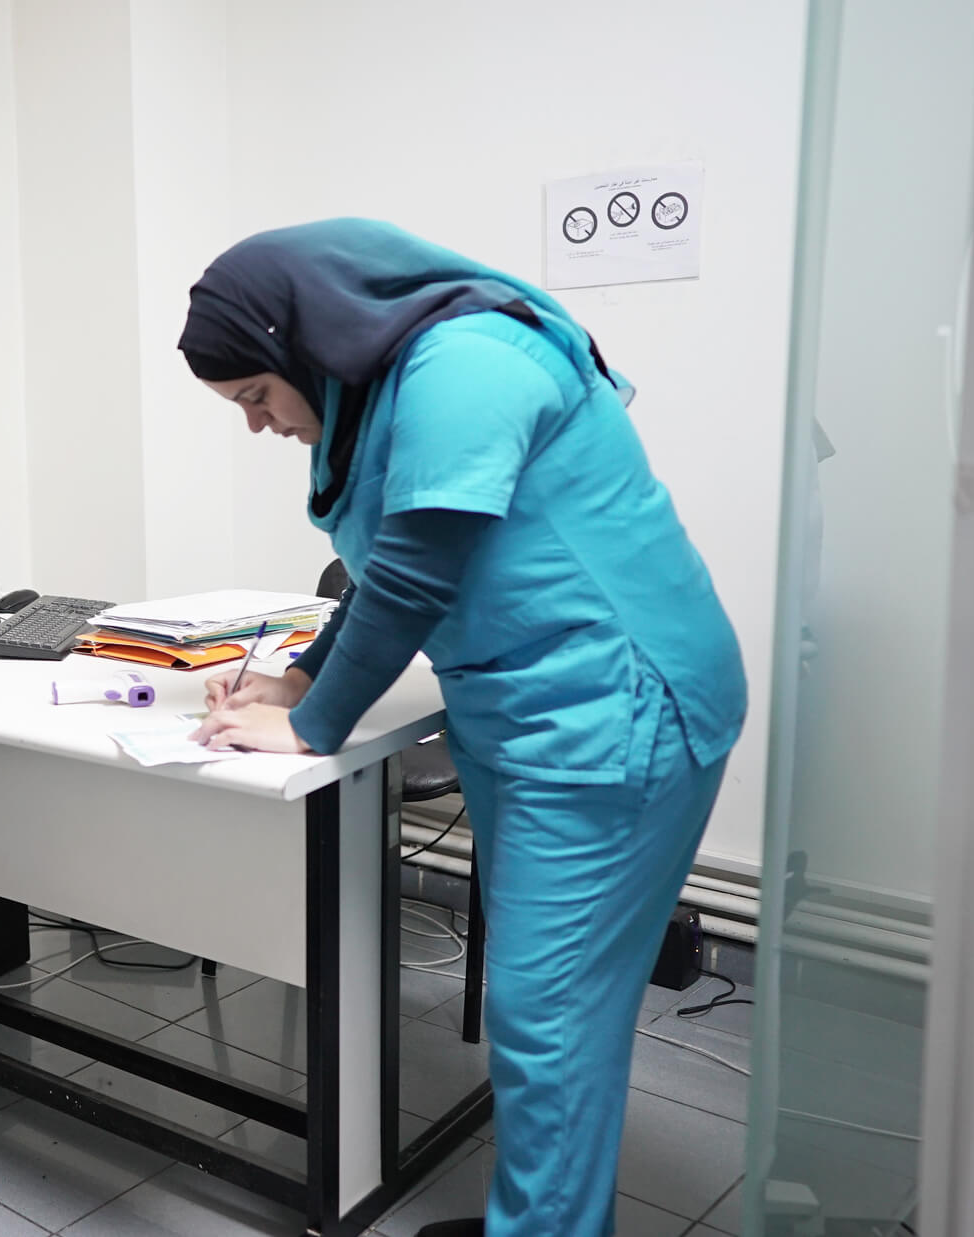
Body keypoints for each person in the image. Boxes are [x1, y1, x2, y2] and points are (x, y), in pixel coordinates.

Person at [181, 220, 746, 1237]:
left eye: (256, 395)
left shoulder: (467, 363)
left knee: (548, 1018)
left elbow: (418, 568)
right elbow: (385, 561)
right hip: (526, 709)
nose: (258, 424)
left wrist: (312, 724)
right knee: (555, 1010)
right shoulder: (378, 390)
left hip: (613, 709)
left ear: (302, 341)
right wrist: (298, 681)